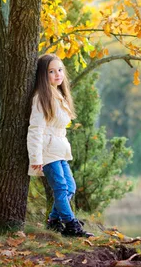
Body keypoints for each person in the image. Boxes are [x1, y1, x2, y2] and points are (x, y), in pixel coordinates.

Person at [26, 53, 93, 237]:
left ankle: (54, 221)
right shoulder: (41, 97)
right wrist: (36, 158)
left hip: (60, 149)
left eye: (60, 70)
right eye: (51, 71)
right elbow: (35, 130)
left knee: (70, 186)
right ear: (42, 75)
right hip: (47, 151)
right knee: (61, 188)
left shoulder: (59, 95)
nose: (57, 74)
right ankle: (72, 226)